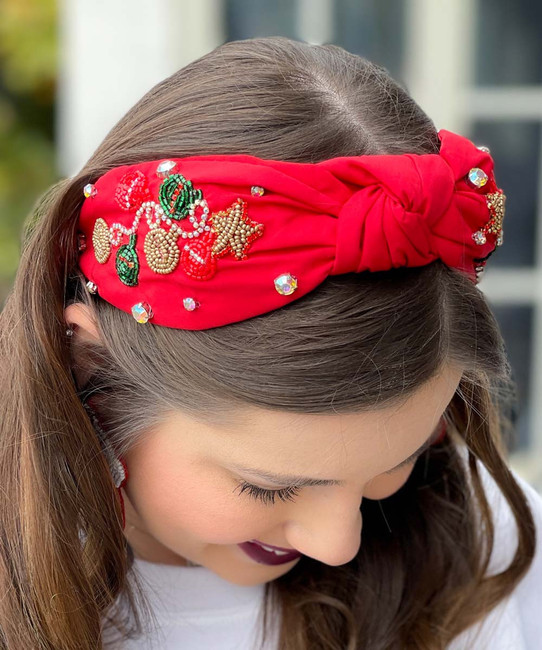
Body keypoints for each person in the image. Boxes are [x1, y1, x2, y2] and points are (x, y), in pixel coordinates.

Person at [0, 35, 540, 650]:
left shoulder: (486, 552)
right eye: (270, 486)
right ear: (91, 370)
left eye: (397, 461)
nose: (340, 544)